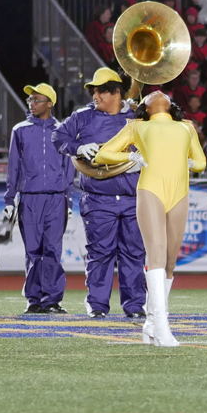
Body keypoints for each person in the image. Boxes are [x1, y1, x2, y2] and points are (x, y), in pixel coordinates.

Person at [94, 91, 206, 346]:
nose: (156, 92)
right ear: (144, 107)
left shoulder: (186, 127)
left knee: (170, 262)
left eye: (161, 92)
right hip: (151, 190)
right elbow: (103, 155)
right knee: (155, 254)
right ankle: (163, 327)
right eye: (149, 95)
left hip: (179, 193)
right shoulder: (136, 126)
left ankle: (152, 325)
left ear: (171, 104)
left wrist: (187, 163)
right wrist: (129, 157)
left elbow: (201, 162)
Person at [52, 68, 146, 321]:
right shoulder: (83, 116)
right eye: (93, 91)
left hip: (132, 198)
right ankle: (97, 305)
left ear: (116, 91)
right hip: (97, 197)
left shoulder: (138, 117)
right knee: (100, 253)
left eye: (100, 91)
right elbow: (58, 136)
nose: (95, 96)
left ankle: (135, 305)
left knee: (134, 253)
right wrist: (78, 147)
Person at [4, 83, 75, 314]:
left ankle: (52, 300)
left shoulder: (63, 130)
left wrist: (69, 198)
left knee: (53, 249)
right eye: (30, 100)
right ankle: (34, 299)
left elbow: (68, 166)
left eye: (37, 100)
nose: (31, 103)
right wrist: (9, 198)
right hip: (30, 198)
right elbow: (13, 167)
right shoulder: (20, 130)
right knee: (33, 250)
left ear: (50, 103)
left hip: (56, 199)